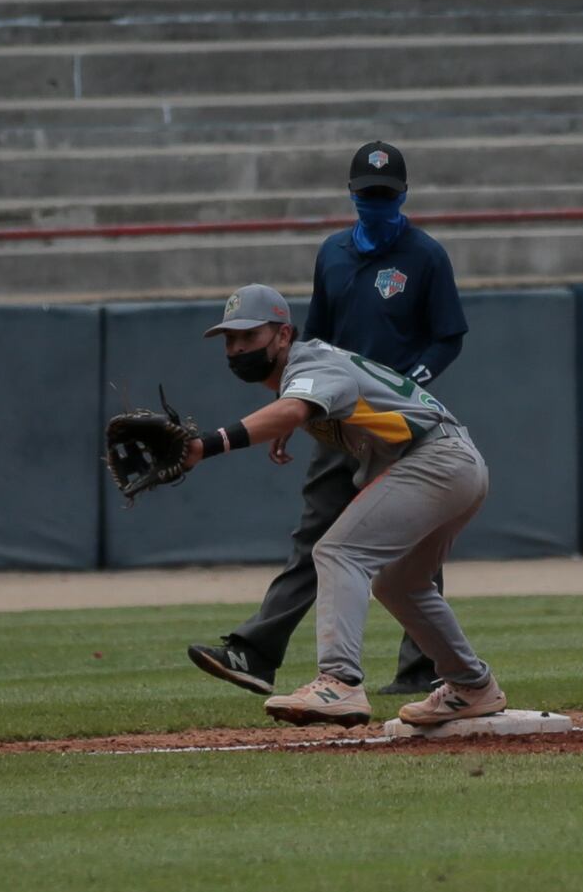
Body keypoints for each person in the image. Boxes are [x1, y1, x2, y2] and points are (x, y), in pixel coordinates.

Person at [188, 141, 468, 697]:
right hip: (333, 419)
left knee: (412, 544)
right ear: (351, 193)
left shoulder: (425, 256)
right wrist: (291, 408)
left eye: (385, 193)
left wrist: (414, 383)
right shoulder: (333, 253)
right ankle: (256, 652)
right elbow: (310, 339)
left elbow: (448, 336)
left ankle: (422, 667)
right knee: (313, 538)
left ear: (403, 194)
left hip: (394, 424)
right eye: (367, 193)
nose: (375, 201)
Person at [184, 283, 506, 728]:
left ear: (283, 335)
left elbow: (294, 409)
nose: (238, 347)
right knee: (401, 584)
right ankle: (472, 685)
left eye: (250, 335)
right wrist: (290, 414)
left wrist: (205, 445)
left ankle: (339, 682)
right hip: (455, 464)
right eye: (231, 339)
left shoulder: (311, 361)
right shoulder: (311, 367)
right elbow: (304, 405)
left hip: (435, 461)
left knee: (338, 551)